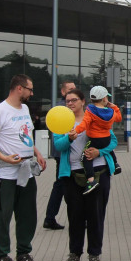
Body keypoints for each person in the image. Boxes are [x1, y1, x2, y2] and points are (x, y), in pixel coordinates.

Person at [0, 74, 48, 261]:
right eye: (30, 89)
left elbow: (25, 136)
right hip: (6, 174)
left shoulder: (25, 109)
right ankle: (3, 257)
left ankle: (23, 255)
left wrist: (36, 152)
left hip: (26, 171)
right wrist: (5, 157)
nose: (32, 93)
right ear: (19, 88)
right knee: (3, 216)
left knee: (27, 215)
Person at [54, 88, 116, 261]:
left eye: (74, 100)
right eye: (67, 101)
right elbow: (58, 145)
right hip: (72, 175)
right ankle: (74, 255)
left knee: (96, 216)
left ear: (83, 101)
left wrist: (99, 152)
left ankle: (94, 256)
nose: (70, 104)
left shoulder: (95, 117)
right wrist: (68, 138)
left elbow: (111, 141)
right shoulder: (62, 122)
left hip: (98, 172)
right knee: (75, 217)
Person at [68, 85, 121, 191]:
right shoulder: (111, 112)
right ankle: (115, 164)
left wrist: (76, 131)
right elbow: (119, 118)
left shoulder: (90, 110)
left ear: (91, 99)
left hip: (95, 139)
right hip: (106, 138)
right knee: (108, 148)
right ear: (105, 99)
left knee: (85, 156)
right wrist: (114, 107)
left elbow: (84, 124)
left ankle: (91, 181)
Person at [42, 80, 77, 231]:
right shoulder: (61, 108)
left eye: (74, 89)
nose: (72, 92)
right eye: (70, 90)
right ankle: (51, 217)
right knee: (63, 185)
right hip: (62, 152)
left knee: (63, 185)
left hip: (68, 151)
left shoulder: (71, 107)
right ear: (63, 92)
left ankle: (52, 217)